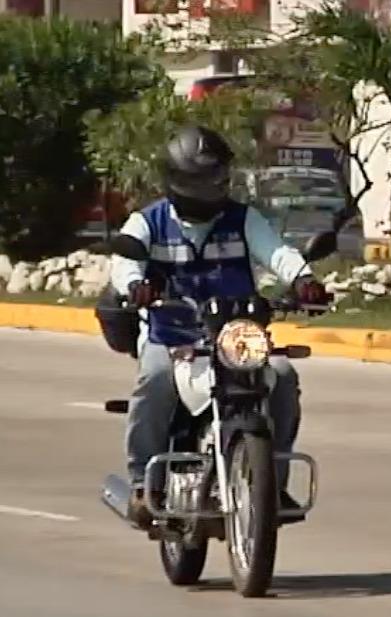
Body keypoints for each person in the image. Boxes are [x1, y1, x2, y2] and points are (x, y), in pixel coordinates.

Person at [110, 125, 329, 529]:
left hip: (236, 337)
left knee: (282, 376)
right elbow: (124, 262)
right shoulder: (149, 222)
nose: (212, 188)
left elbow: (276, 251)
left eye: (217, 178)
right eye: (201, 180)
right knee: (155, 379)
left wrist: (303, 280)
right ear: (177, 180)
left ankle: (272, 483)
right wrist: (135, 286)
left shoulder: (243, 219)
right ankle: (143, 482)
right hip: (171, 336)